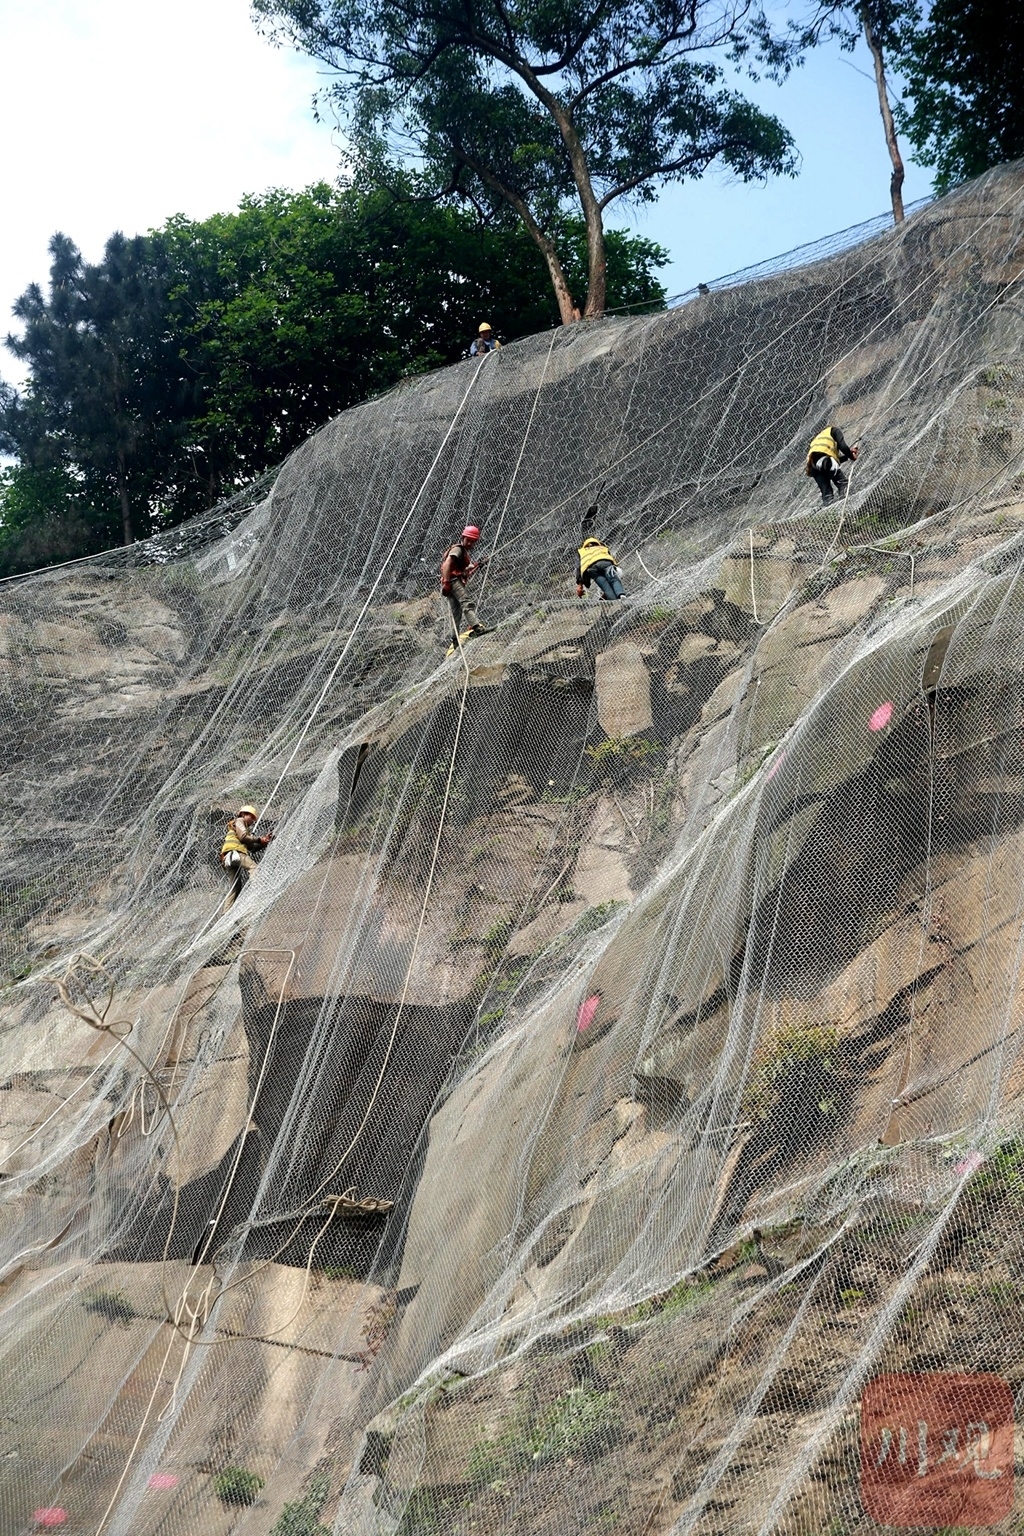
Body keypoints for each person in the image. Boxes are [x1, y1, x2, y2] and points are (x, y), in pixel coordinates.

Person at [440, 525, 491, 642]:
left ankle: (455, 640)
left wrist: (478, 564)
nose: (470, 544)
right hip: (452, 581)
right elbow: (447, 565)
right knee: (466, 602)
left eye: (473, 542)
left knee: (456, 612)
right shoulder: (458, 549)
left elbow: (463, 571)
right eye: (468, 540)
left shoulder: (463, 552)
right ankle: (477, 627)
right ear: (463, 537)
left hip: (452, 580)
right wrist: (447, 582)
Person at [219, 805, 273, 913]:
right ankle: (257, 892)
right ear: (244, 814)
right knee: (254, 868)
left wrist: (262, 843)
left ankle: (226, 912)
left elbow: (252, 848)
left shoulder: (239, 829)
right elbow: (243, 837)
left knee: (235, 887)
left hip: (228, 859)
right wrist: (258, 839)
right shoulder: (239, 820)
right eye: (251, 817)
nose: (253, 820)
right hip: (235, 854)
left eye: (254, 818)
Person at [806, 425, 859, 504]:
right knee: (843, 484)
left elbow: (830, 461)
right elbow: (843, 447)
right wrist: (852, 456)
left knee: (827, 494)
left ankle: (830, 513)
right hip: (825, 460)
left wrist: (847, 456)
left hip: (814, 467)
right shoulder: (833, 430)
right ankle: (847, 506)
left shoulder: (817, 440)